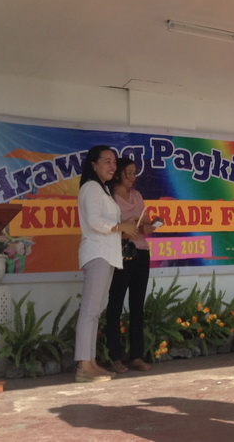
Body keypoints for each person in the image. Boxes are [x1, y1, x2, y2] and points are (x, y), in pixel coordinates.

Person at [74, 145, 138, 383]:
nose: (112, 166)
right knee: (90, 310)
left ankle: (90, 362)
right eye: (107, 161)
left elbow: (109, 222)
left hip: (108, 254)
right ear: (94, 165)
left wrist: (126, 224)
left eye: (114, 162)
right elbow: (94, 222)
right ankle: (83, 365)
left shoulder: (103, 190)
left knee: (95, 311)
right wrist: (122, 226)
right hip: (97, 253)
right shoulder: (91, 187)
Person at [105, 157, 154, 373]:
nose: (133, 177)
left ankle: (136, 355)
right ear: (118, 174)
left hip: (141, 251)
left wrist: (148, 227)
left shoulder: (137, 195)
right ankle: (115, 356)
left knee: (137, 306)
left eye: (135, 173)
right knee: (115, 304)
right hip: (120, 252)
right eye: (129, 172)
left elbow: (145, 223)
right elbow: (105, 228)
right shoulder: (109, 197)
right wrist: (125, 231)